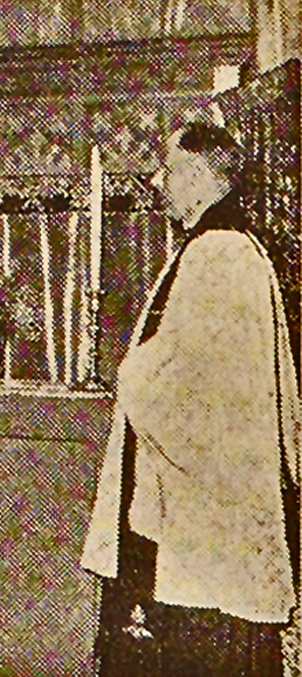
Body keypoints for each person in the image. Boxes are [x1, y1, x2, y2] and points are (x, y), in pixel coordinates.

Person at [81, 121, 301, 676]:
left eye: (171, 169)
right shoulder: (220, 249)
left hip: (206, 510)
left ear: (202, 177)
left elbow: (181, 383)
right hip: (204, 499)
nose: (160, 181)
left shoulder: (219, 257)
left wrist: (129, 373)